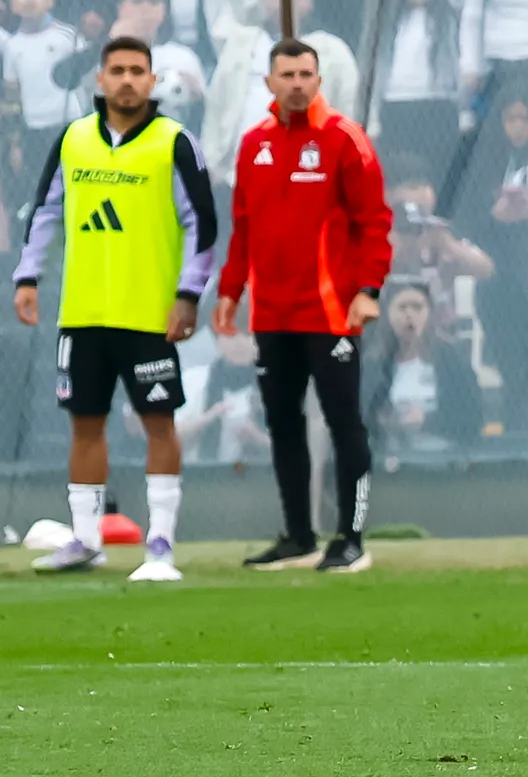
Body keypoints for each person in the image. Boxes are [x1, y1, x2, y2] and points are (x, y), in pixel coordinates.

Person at [12, 35, 219, 581]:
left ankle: (160, 543)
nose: (127, 80)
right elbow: (45, 211)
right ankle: (85, 538)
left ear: (153, 81)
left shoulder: (175, 142)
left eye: (138, 71)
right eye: (117, 70)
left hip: (150, 316)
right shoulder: (73, 139)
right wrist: (27, 277)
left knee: (158, 423)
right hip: (81, 313)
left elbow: (203, 222)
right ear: (99, 80)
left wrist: (188, 295)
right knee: (85, 424)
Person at [214, 39, 395, 574]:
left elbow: (375, 223)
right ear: (269, 82)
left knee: (343, 421)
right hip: (271, 314)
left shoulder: (344, 138)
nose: (297, 83)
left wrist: (369, 290)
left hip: (332, 312)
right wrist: (228, 294)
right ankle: (298, 536)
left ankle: (352, 538)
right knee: (283, 424)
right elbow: (243, 230)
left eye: (306, 74)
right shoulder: (253, 145)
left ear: (320, 80)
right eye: (287, 74)